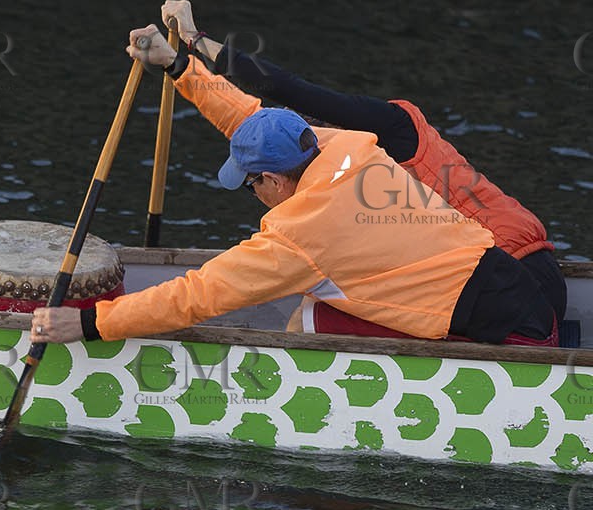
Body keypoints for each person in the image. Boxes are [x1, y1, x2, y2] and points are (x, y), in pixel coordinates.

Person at [28, 26, 558, 348]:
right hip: (522, 291)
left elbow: (195, 297)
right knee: (320, 291)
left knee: (308, 315)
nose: (252, 195)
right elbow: (250, 115)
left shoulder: (296, 238)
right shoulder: (349, 148)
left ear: (275, 180)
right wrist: (177, 67)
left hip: (516, 339)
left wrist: (91, 325)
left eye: (250, 185)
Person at [157, 0, 565, 321]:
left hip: (513, 284)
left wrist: (195, 39)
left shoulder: (392, 128)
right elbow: (252, 123)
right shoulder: (337, 151)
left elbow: (286, 88)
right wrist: (175, 65)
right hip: (521, 276)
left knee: (314, 307)